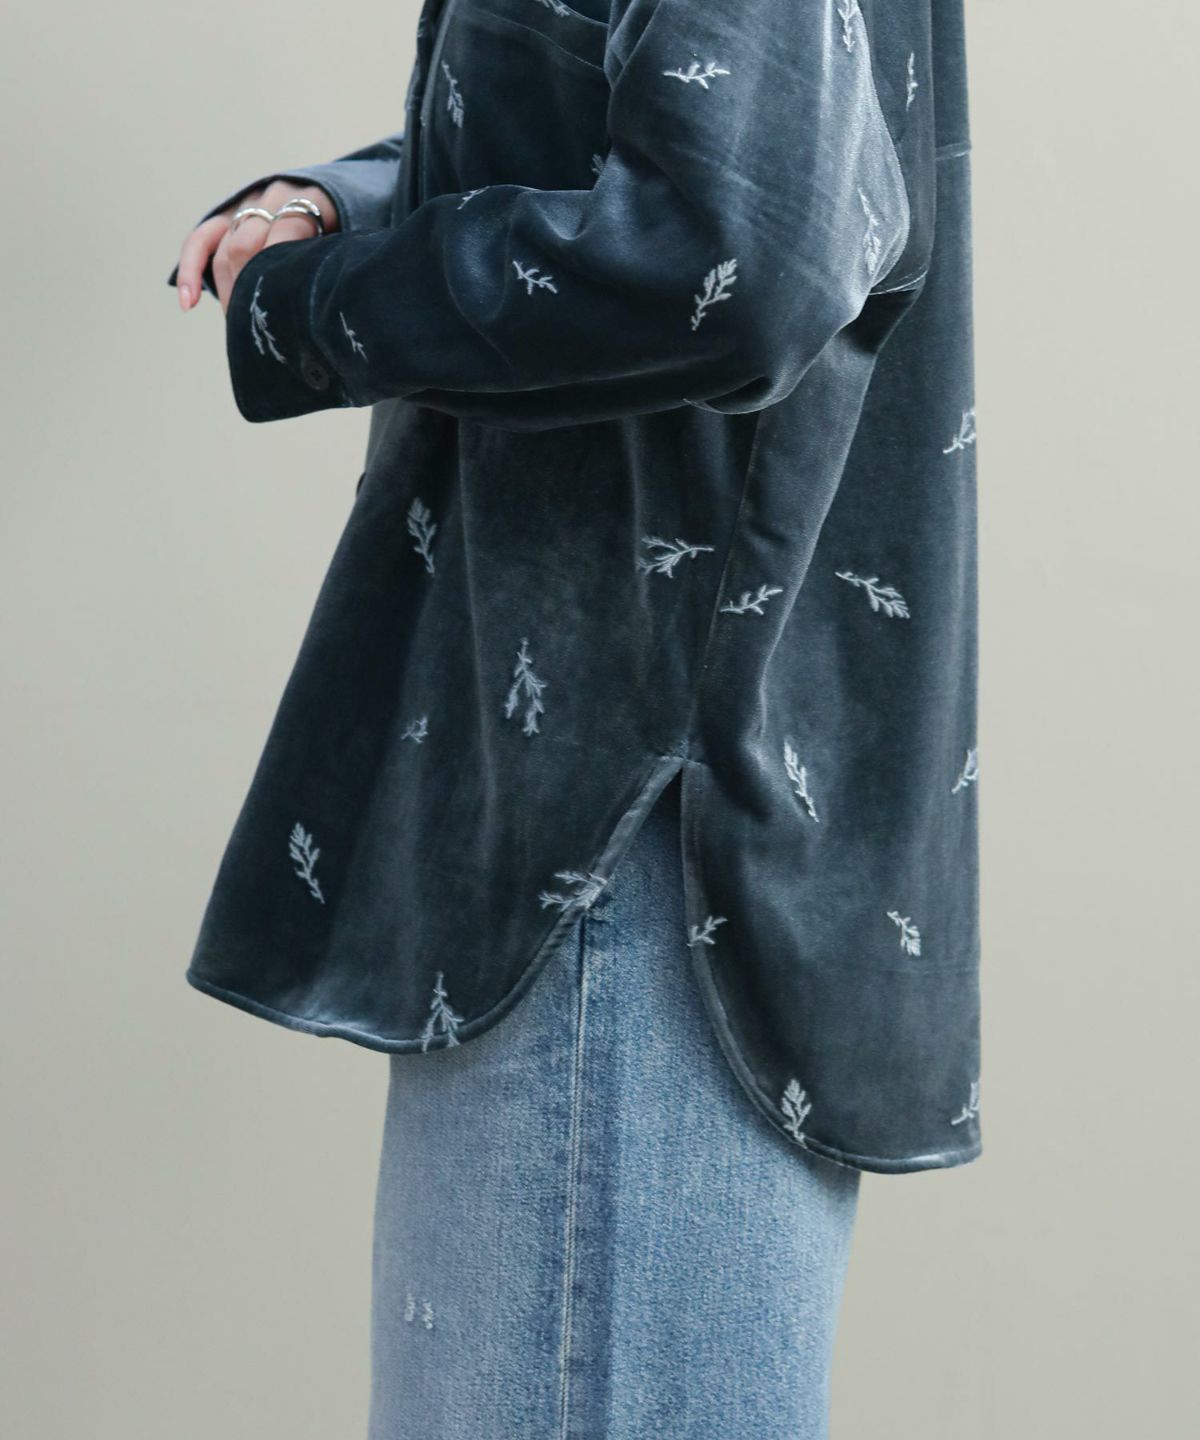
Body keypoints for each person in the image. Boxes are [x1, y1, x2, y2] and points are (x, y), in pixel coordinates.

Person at [169, 2, 979, 1435]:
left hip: (625, 856)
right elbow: (662, 137)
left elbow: (741, 253)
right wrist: (340, 206)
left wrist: (321, 305)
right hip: (611, 846)